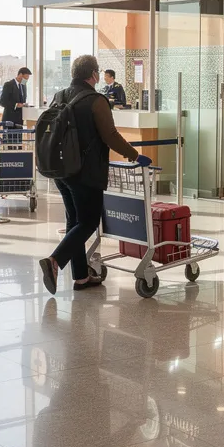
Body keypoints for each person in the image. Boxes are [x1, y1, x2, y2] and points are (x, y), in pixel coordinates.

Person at [38, 55, 146, 294]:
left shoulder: (59, 96)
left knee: (74, 222)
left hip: (61, 170)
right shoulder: (96, 100)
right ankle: (54, 260)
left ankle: (81, 277)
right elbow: (110, 135)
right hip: (86, 172)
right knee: (88, 222)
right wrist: (135, 155)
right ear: (94, 74)